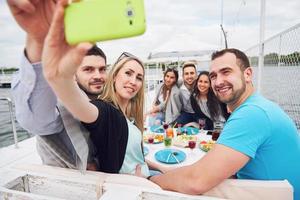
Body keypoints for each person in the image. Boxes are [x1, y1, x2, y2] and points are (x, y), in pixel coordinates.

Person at [149, 48, 300, 199]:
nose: (218, 81)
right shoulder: (258, 106)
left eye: (226, 72)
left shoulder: (252, 114)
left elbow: (196, 181)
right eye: (213, 76)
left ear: (247, 74)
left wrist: (151, 180)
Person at [41, 1, 152, 176]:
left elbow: (137, 156)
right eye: (128, 73)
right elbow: (82, 109)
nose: (133, 81)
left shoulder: (127, 115)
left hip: (147, 175)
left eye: (139, 77)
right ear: (114, 76)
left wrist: (161, 169)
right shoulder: (105, 110)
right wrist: (59, 78)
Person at [9, 0, 107, 170]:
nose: (97, 76)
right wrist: (39, 42)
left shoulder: (104, 101)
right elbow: (36, 120)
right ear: (73, 72)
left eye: (102, 69)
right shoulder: (60, 104)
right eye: (88, 69)